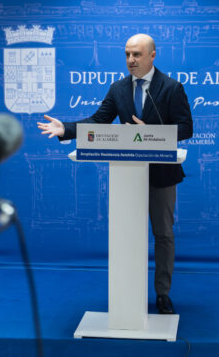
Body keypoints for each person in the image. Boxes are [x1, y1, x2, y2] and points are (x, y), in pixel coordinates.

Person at [38, 34, 193, 314]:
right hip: (127, 174)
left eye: (137, 54)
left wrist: (152, 133)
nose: (131, 60)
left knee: (163, 235)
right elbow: (99, 121)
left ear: (152, 55)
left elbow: (186, 128)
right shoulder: (118, 88)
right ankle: (128, 294)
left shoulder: (171, 87)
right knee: (128, 233)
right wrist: (66, 130)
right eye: (127, 54)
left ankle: (162, 293)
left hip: (161, 174)